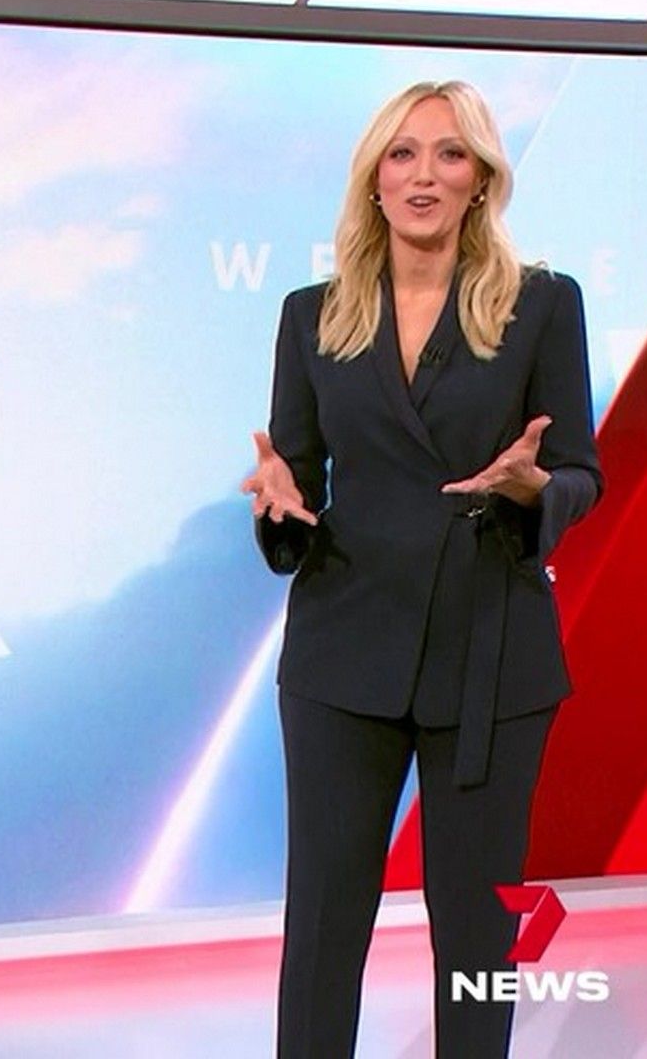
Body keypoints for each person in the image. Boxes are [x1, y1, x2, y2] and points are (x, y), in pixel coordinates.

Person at [241, 80, 604, 1058]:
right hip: (344, 650)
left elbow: (581, 472)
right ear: (373, 179)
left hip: (490, 651)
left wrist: (535, 488)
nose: (424, 175)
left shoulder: (541, 305)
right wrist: (280, 505)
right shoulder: (313, 317)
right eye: (402, 154)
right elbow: (297, 481)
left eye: (449, 154)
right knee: (324, 924)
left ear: (481, 178)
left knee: (478, 935)